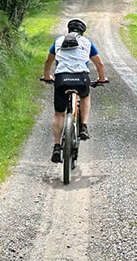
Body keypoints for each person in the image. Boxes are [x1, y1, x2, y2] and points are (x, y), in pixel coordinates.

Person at [42, 18, 108, 163]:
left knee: (59, 113)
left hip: (61, 79)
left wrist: (47, 76)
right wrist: (101, 79)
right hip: (81, 79)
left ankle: (57, 147)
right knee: (85, 97)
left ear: (69, 30)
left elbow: (48, 61)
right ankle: (83, 126)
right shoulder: (87, 43)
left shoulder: (58, 41)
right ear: (82, 31)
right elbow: (99, 64)